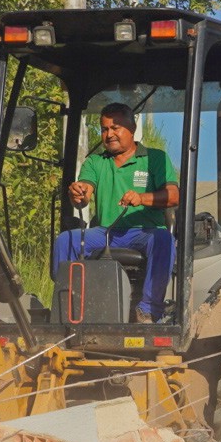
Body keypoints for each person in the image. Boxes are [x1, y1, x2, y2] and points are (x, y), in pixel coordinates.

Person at [52, 103, 180, 322]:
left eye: (115, 128)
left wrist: (142, 198)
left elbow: (174, 196)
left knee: (164, 240)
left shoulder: (155, 158)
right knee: (66, 240)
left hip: (145, 232)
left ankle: (148, 310)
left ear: (132, 128)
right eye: (104, 129)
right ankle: (69, 308)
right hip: (106, 232)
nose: (109, 134)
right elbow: (84, 194)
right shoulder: (96, 162)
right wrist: (78, 193)